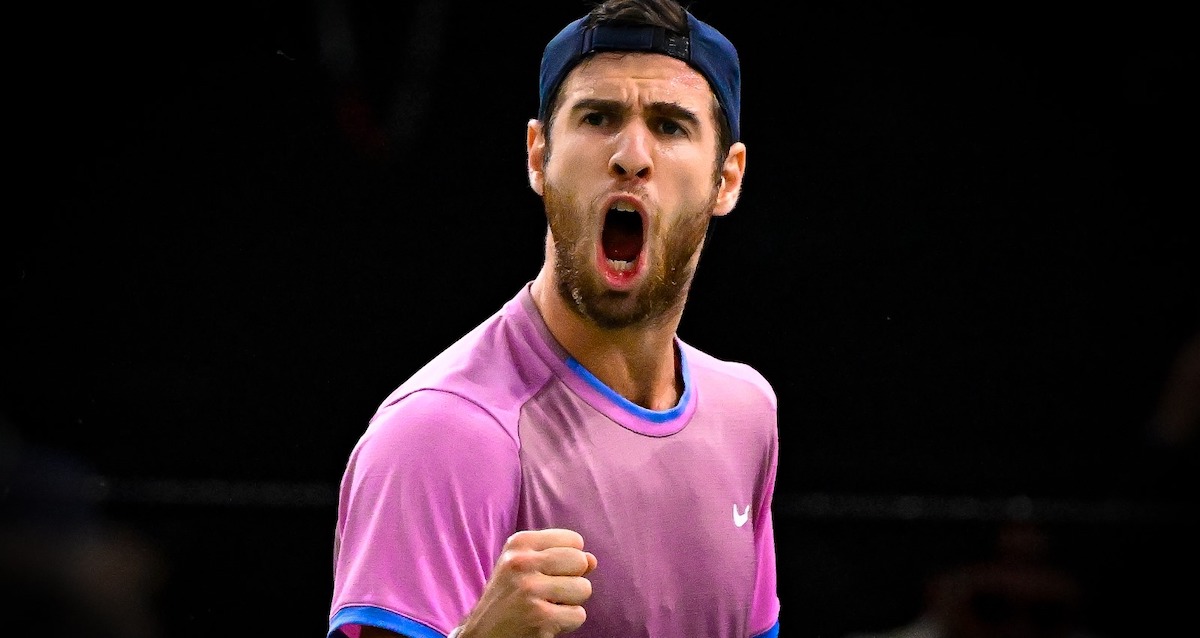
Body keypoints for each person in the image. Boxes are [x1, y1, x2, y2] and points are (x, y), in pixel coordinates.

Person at [326, 1, 780, 637]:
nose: (631, 155)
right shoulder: (439, 433)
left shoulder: (747, 414)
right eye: (598, 118)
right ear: (539, 155)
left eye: (671, 126)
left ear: (726, 179)